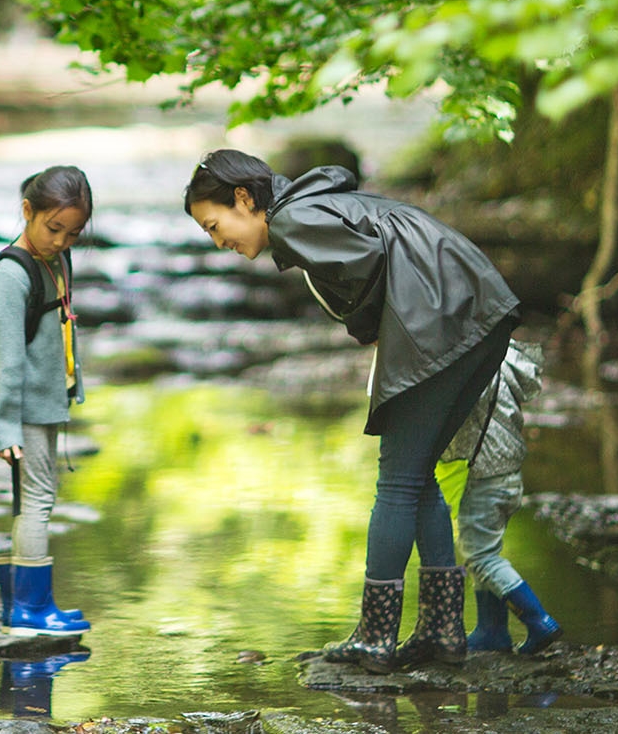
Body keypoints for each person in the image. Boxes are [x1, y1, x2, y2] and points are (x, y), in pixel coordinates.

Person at [184, 150, 519, 672]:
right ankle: (442, 630)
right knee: (419, 476)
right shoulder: (314, 206)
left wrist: (372, 324)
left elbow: (367, 262)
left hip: (442, 322)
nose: (218, 240)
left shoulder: (293, 219)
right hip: (478, 312)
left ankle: (375, 636)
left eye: (215, 224)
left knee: (397, 483)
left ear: (245, 200)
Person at [0, 166, 93, 638]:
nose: (62, 241)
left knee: (33, 499)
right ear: (27, 212)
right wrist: (6, 426)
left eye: (73, 233)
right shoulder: (11, 275)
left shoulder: (54, 262)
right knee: (38, 501)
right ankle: (29, 612)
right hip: (26, 406)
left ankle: (28, 605)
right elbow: (6, 360)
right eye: (54, 229)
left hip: (47, 399)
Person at [437, 338, 563, 655]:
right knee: (485, 550)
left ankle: (538, 620)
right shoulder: (500, 355)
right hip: (506, 473)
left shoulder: (470, 363)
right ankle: (492, 630)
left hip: (484, 474)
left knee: (480, 557)